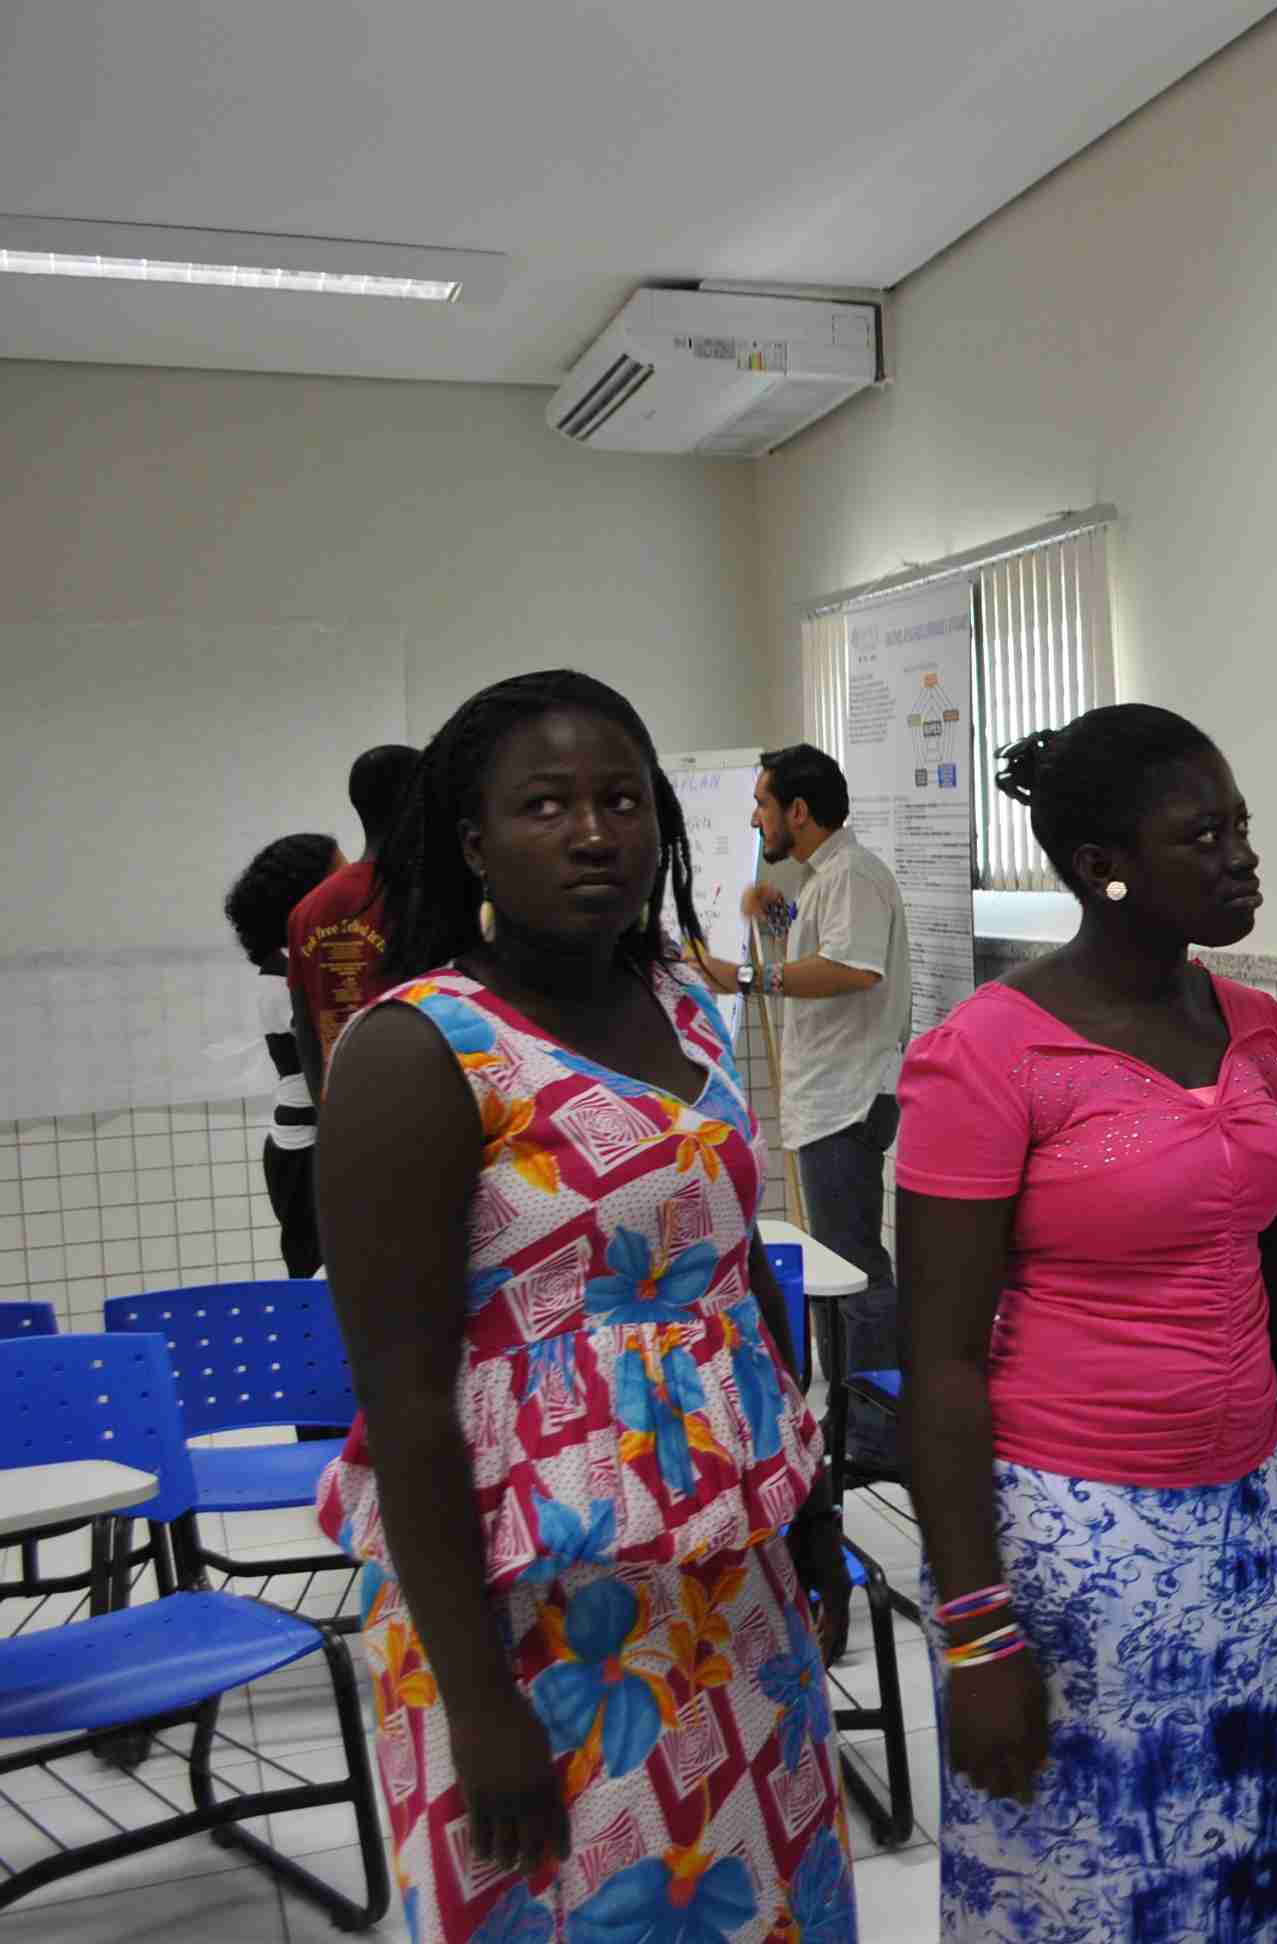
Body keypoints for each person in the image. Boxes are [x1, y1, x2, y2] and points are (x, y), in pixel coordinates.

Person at [313, 670, 856, 1944]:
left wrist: (810, 1509)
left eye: (622, 800)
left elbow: (737, 1274)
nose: (595, 832)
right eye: (546, 804)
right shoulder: (418, 1048)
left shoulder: (682, 1003)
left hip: (729, 1575)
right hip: (533, 1623)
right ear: (474, 841)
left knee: (767, 1899)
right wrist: (478, 1705)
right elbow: (403, 1402)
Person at [895, 704, 1277, 1942]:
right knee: (1087, 1880)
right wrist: (974, 1627)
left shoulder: (1255, 1031)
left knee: (1234, 1861)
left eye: (1241, 827)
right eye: (1204, 836)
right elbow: (939, 1360)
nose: (1242, 858)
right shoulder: (988, 1053)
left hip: (1244, 1525)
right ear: (1102, 866)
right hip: (1068, 1544)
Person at [694, 743, 911, 1473]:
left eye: (762, 804)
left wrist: (743, 976)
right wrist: (778, 914)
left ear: (798, 810)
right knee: (840, 1262)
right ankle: (851, 1420)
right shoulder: (828, 877)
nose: (755, 820)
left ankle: (878, 1436)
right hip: (829, 1092)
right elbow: (826, 952)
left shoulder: (854, 874)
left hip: (849, 1095)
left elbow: (854, 969)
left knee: (855, 1267)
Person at [223, 832, 343, 1277]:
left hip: (318, 1143)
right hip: (306, 1151)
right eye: (340, 877)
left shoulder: (309, 958)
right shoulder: (284, 971)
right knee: (317, 1284)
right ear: (309, 893)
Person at [286, 742, 421, 1096]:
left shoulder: (306, 911)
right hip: (417, 1100)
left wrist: (326, 1114)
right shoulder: (425, 900)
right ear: (416, 803)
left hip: (346, 1105)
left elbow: (305, 1027)